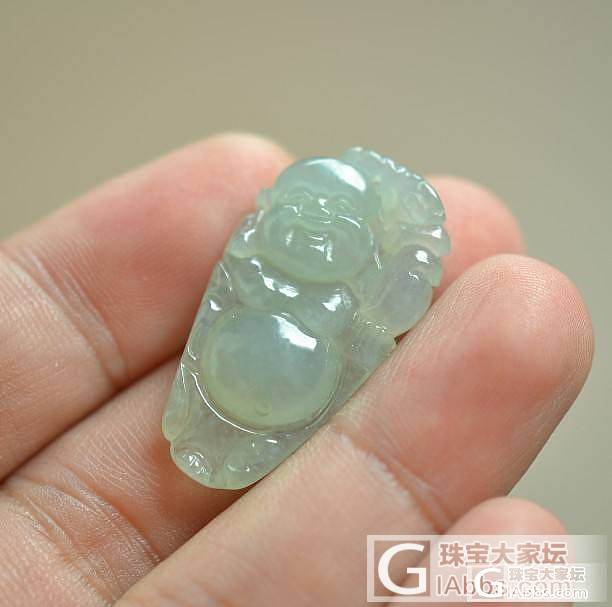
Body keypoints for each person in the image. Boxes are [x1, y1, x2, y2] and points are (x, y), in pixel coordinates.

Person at [0, 133, 593, 606]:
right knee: (203, 424)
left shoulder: (357, 298)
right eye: (300, 208)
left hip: (299, 388)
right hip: (221, 377)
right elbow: (218, 306)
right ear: (267, 216)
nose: (314, 223)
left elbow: (389, 314)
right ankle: (208, 434)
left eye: (339, 219)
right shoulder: (249, 263)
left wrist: (413, 252)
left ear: (368, 247)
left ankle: (238, 442)